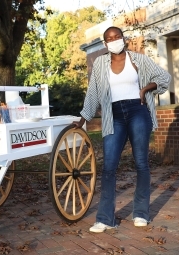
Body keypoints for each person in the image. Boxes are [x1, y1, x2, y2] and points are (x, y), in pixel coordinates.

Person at [73, 26, 171, 233]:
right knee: (109, 166)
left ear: (123, 38)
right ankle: (105, 218)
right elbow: (93, 93)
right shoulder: (100, 63)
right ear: (105, 43)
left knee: (141, 163)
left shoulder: (139, 59)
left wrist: (145, 88)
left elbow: (164, 78)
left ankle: (141, 213)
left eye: (117, 36)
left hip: (138, 110)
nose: (114, 40)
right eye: (110, 38)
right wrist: (82, 120)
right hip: (113, 115)